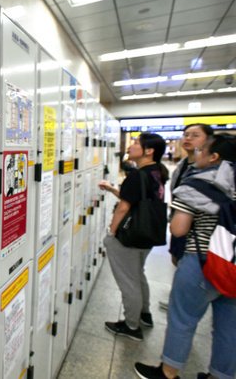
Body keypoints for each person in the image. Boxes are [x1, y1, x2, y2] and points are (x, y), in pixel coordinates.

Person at [134, 134, 236, 379]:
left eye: (201, 150)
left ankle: (168, 372)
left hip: (203, 263)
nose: (196, 153)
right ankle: (220, 375)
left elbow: (179, 229)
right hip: (233, 266)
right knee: (229, 327)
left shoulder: (198, 183)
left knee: (183, 318)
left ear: (214, 157)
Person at [98, 133, 169, 341]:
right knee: (138, 274)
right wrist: (112, 189)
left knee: (129, 282)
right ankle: (144, 314)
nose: (131, 146)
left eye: (136, 143)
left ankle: (131, 326)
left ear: (149, 150)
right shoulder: (157, 172)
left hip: (130, 237)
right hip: (147, 234)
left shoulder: (138, 175)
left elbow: (124, 207)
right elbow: (136, 197)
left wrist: (111, 233)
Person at [160, 123, 214, 311]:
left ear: (208, 141)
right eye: (186, 135)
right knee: (176, 259)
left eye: (195, 135)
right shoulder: (183, 165)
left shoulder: (207, 170)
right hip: (180, 220)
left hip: (197, 232)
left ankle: (184, 299)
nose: (188, 138)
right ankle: (181, 294)